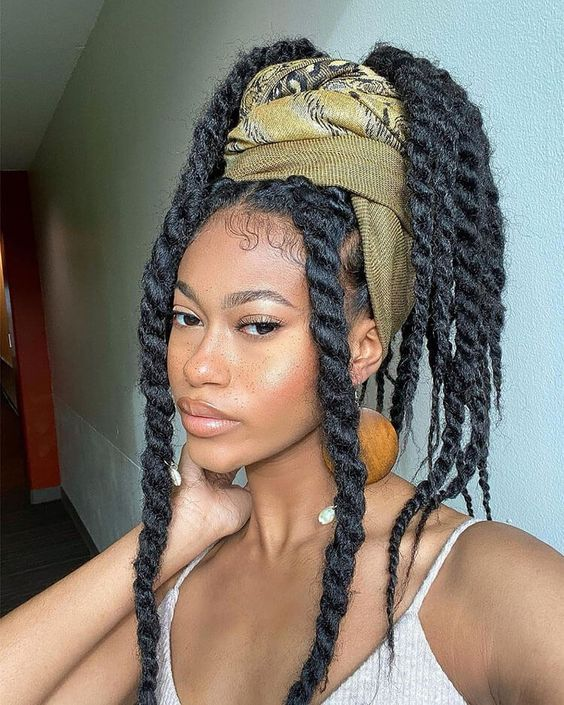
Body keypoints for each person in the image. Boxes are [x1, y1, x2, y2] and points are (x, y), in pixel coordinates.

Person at [1, 37, 563, 705]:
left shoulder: (483, 582)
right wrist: (171, 534)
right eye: (185, 317)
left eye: (258, 325)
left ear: (361, 349)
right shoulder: (177, 569)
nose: (197, 365)